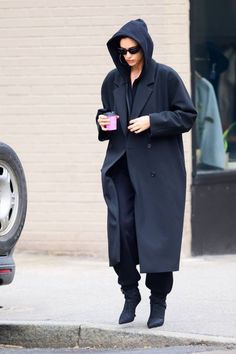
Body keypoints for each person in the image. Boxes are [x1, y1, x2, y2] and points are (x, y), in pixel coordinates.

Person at [96, 19, 197, 328]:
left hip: (158, 171)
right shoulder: (113, 80)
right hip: (122, 166)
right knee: (121, 230)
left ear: (145, 46)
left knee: (156, 237)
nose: (127, 56)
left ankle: (158, 301)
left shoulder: (165, 77)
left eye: (133, 50)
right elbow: (107, 114)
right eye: (122, 50)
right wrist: (102, 122)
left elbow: (186, 115)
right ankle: (129, 293)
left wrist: (153, 121)